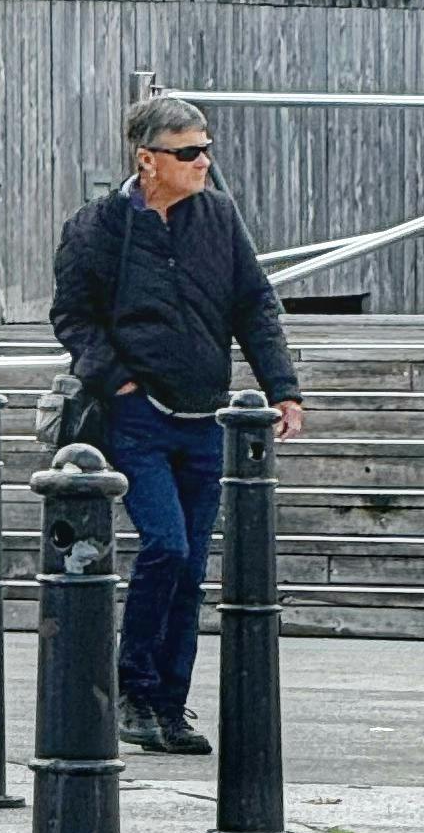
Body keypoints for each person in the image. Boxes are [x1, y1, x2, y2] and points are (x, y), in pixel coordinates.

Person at [49, 88, 304, 756]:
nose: (204, 162)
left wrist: (284, 388)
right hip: (138, 418)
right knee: (167, 547)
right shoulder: (97, 227)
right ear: (147, 160)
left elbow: (255, 304)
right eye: (190, 152)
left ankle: (170, 703)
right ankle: (133, 689)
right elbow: (73, 318)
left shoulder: (218, 217)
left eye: (207, 150)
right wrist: (120, 380)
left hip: (203, 418)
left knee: (191, 569)